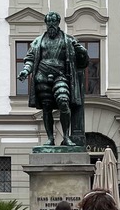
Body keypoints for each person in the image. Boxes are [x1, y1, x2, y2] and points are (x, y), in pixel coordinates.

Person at [17, 11, 90, 146]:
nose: (51, 25)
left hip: (60, 75)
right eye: (49, 22)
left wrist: (81, 51)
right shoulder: (38, 42)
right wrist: (26, 71)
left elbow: (83, 61)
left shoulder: (67, 40)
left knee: (63, 101)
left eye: (53, 22)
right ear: (46, 23)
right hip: (42, 76)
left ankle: (66, 137)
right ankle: (50, 138)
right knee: (46, 107)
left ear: (58, 23)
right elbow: (30, 59)